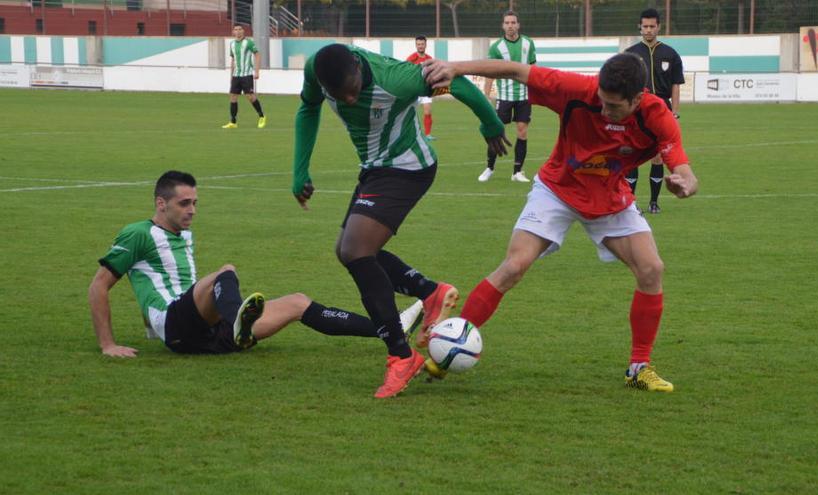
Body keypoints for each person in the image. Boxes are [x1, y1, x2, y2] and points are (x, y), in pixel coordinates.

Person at [422, 52, 698, 392]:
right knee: (514, 265)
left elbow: (684, 170)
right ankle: (450, 347)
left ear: (638, 99)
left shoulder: (657, 116)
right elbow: (515, 69)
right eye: (602, 100)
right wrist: (454, 69)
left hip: (610, 196)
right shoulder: (578, 89)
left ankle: (639, 367)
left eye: (613, 106)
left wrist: (683, 184)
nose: (604, 108)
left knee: (652, 269)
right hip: (557, 190)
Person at [292, 44, 509, 397]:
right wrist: (299, 169)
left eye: (352, 91)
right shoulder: (317, 67)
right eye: (339, 95)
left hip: (407, 168)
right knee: (348, 251)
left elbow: (458, 83)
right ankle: (429, 292)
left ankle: (401, 356)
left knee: (356, 251)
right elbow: (308, 108)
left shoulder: (397, 79)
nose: (347, 100)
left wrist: (490, 122)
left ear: (360, 73)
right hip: (375, 169)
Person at [88, 171, 425, 358]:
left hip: (210, 333)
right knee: (226, 271)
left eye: (195, 202)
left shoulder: (182, 234)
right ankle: (239, 321)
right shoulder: (137, 234)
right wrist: (108, 344)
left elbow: (163, 281)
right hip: (179, 328)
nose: (192, 209)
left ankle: (390, 328)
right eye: (184, 203)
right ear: (161, 204)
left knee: (297, 302)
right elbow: (100, 284)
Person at [624, 8, 684, 214]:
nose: (648, 30)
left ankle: (654, 202)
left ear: (658, 27)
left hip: (662, 110)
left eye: (652, 26)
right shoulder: (631, 54)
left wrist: (674, 113)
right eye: (645, 26)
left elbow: (676, 84)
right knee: (632, 154)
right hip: (636, 109)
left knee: (657, 156)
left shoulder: (670, 53)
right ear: (640, 27)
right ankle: (631, 203)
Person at [478, 10, 537, 183]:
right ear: (503, 25)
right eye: (507, 23)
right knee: (496, 131)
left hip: (524, 96)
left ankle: (517, 172)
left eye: (513, 22)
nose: (510, 25)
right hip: (504, 97)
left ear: (518, 25)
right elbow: (490, 73)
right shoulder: (496, 47)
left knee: (522, 131)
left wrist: (537, 91)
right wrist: (486, 97)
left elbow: (534, 69)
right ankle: (489, 167)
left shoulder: (528, 43)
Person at [222, 24, 266, 129]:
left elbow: (257, 54)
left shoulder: (248, 42)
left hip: (247, 74)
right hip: (236, 75)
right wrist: (231, 75)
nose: (238, 31)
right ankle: (233, 122)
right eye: (236, 29)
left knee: (250, 96)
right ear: (233, 32)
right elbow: (233, 60)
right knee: (233, 97)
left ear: (243, 31)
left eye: (240, 29)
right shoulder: (232, 44)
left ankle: (262, 116)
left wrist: (257, 71)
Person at [406, 36, 436, 140]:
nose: (420, 46)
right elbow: (406, 72)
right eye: (418, 44)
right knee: (410, 113)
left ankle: (427, 135)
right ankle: (409, 134)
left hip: (426, 89)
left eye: (422, 44)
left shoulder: (429, 59)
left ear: (425, 45)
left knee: (427, 111)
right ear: (416, 45)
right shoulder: (411, 58)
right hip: (414, 90)